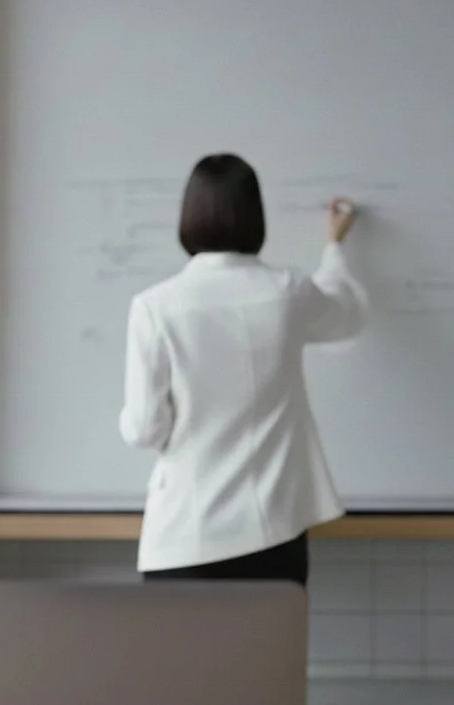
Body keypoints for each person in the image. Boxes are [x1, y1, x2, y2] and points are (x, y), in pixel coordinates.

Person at [118, 153, 368, 587]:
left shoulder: (155, 307)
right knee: (268, 657)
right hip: (273, 532)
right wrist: (334, 248)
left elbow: (144, 430)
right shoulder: (287, 291)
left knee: (182, 658)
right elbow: (346, 314)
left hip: (185, 538)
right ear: (256, 216)